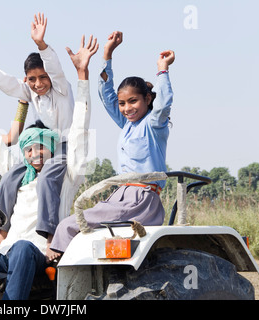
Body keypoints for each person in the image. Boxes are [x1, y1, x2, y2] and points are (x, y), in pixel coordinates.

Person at [0, 35, 98, 300]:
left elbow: (80, 128)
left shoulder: (66, 172)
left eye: (41, 148)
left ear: (52, 147)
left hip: (38, 252)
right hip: (7, 252)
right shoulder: (17, 175)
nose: (36, 155)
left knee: (24, 248)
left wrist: (82, 75)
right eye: (29, 149)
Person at [51, 31, 175, 253]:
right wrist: (107, 54)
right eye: (123, 103)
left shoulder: (153, 125)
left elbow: (164, 104)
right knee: (79, 229)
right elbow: (106, 95)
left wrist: (162, 69)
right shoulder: (128, 124)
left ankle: (52, 265)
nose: (127, 108)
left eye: (133, 101)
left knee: (69, 225)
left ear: (147, 99)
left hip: (140, 198)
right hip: (120, 194)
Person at [0, 13, 73, 240]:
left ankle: (49, 234)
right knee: (8, 178)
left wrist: (41, 44)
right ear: (26, 79)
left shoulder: (61, 89)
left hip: (63, 146)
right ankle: (1, 228)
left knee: (46, 178)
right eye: (32, 79)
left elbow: (55, 69)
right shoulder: (29, 90)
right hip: (39, 145)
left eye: (43, 77)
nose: (38, 84)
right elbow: (7, 83)